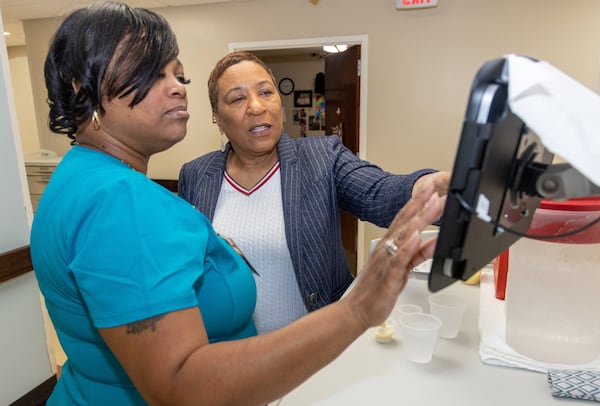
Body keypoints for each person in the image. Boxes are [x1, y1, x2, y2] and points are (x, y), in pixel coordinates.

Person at [30, 2, 445, 405]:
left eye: (178, 74)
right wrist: (357, 309)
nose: (176, 86)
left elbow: (379, 191)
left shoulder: (78, 176)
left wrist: (433, 187)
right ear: (82, 90)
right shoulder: (136, 195)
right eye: (150, 73)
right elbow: (180, 382)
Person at [178, 51, 451, 334]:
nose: (256, 106)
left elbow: (378, 192)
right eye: (237, 98)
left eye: (265, 92)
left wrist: (429, 189)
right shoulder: (196, 175)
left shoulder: (323, 157)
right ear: (217, 118)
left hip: (314, 349)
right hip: (231, 352)